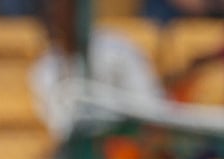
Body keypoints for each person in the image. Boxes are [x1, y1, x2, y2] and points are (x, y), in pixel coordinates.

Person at [29, 0, 165, 144]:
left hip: (131, 147)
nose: (57, 17)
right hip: (84, 153)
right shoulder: (44, 71)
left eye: (62, 9)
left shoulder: (117, 50)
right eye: (51, 12)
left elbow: (149, 106)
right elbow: (64, 129)